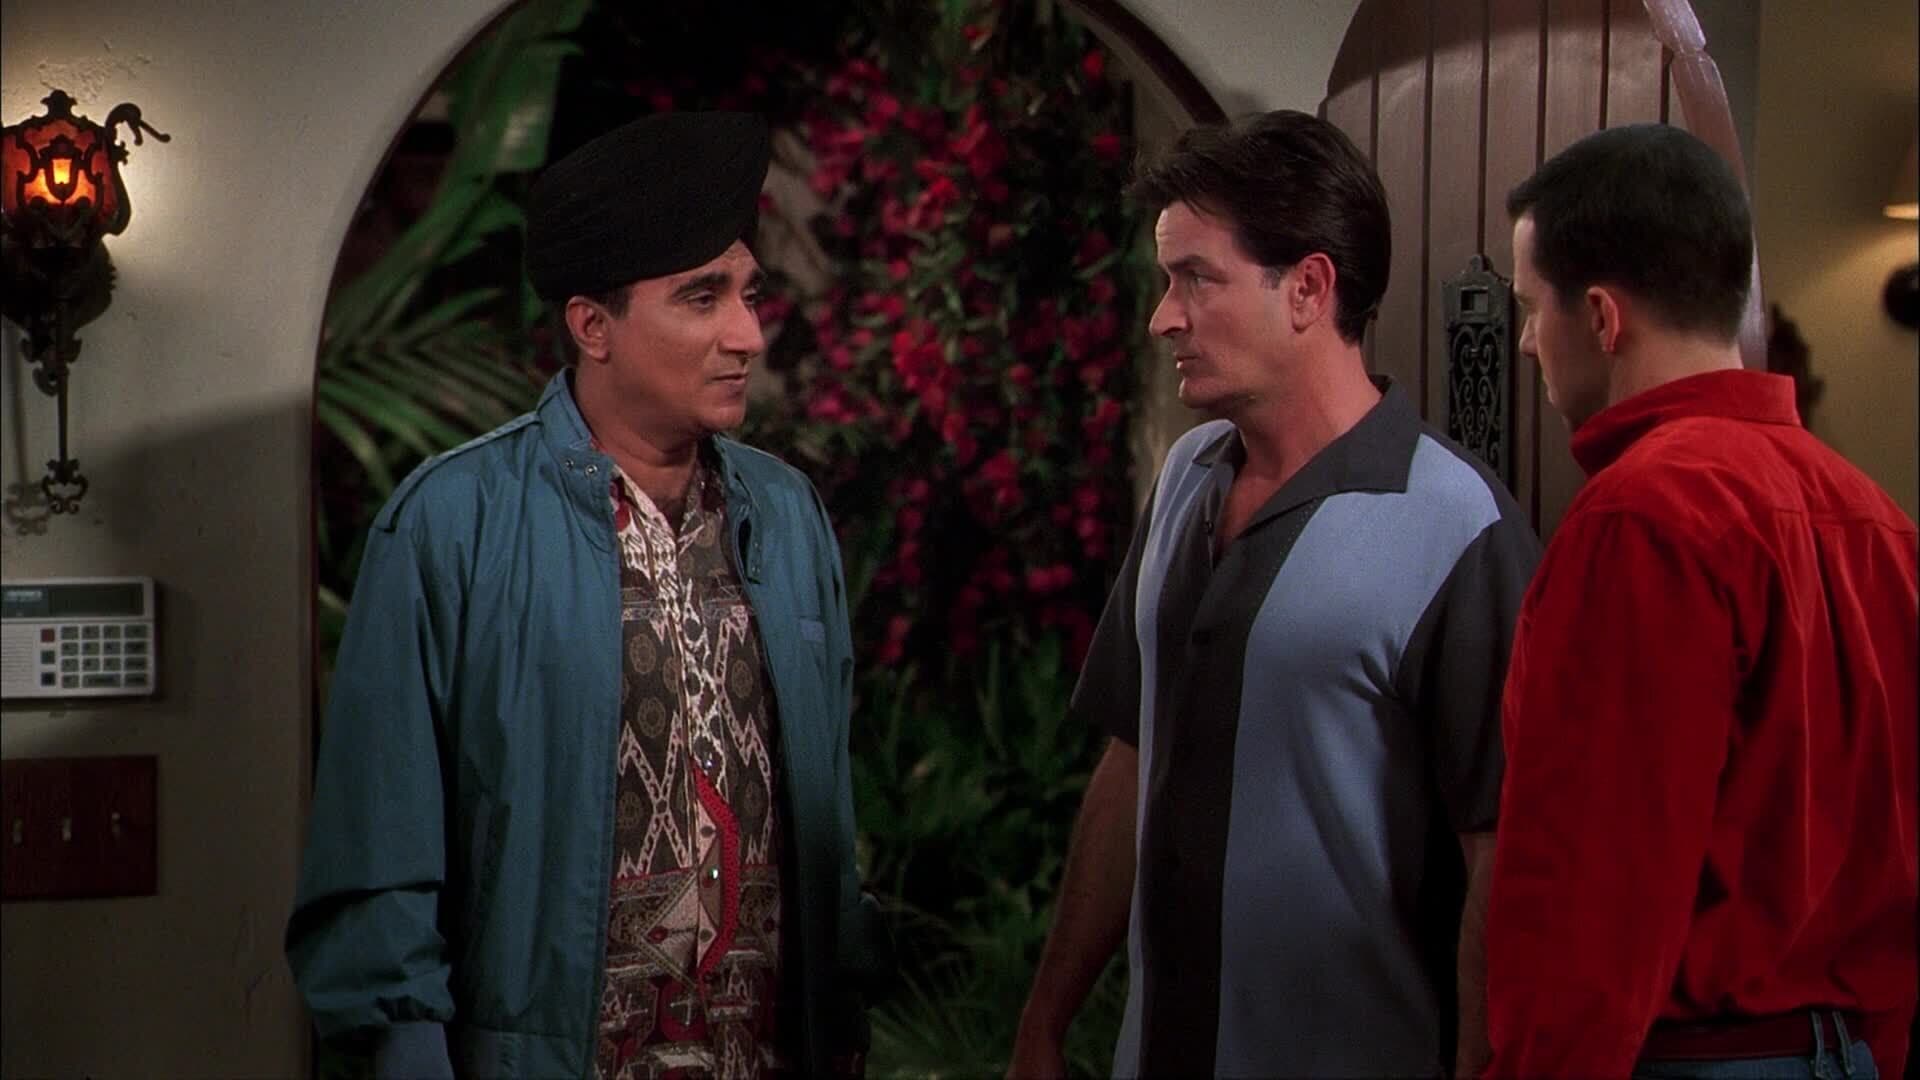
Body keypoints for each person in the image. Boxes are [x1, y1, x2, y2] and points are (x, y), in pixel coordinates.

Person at [285, 111, 887, 1079]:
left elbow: (826, 817)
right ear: (592, 325)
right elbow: (379, 854)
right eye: (702, 298)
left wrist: (844, 1015)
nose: (747, 334)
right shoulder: (453, 525)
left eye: (749, 294)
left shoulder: (786, 516)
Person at [1008, 110, 1540, 1079]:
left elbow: (1501, 857)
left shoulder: (1455, 525)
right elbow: (1133, 756)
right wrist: (1046, 1020)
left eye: (1196, 278)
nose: (1164, 317)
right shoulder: (1186, 478)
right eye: (1165, 281)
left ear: (1307, 288)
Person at [1486, 123, 1919, 1079]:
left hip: (1694, 1055)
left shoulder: (1642, 517)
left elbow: (1594, 896)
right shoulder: (1880, 521)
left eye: (1529, 307)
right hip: (1852, 1052)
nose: (1524, 340)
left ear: (1602, 317)